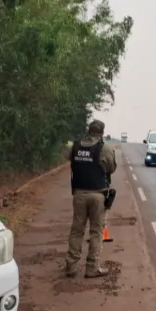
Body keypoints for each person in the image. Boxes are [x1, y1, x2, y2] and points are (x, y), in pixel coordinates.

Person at [63, 119, 117, 278]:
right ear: (101, 133)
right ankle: (92, 267)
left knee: (76, 230)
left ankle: (71, 266)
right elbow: (112, 168)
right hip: (98, 195)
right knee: (96, 232)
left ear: (88, 131)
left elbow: (66, 154)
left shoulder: (74, 146)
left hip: (79, 194)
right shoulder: (105, 148)